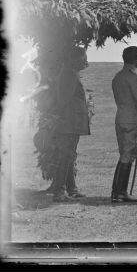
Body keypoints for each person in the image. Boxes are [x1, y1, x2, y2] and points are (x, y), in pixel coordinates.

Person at [50, 47, 91, 202]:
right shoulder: (69, 74)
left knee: (69, 156)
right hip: (69, 123)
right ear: (75, 59)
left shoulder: (70, 73)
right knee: (66, 156)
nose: (85, 62)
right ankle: (59, 191)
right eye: (83, 59)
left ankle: (71, 189)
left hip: (71, 123)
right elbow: (63, 99)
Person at [111, 46, 137, 203]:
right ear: (136, 59)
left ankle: (116, 191)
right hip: (132, 119)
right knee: (128, 155)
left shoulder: (117, 77)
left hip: (120, 117)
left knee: (123, 155)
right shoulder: (132, 77)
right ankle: (120, 193)